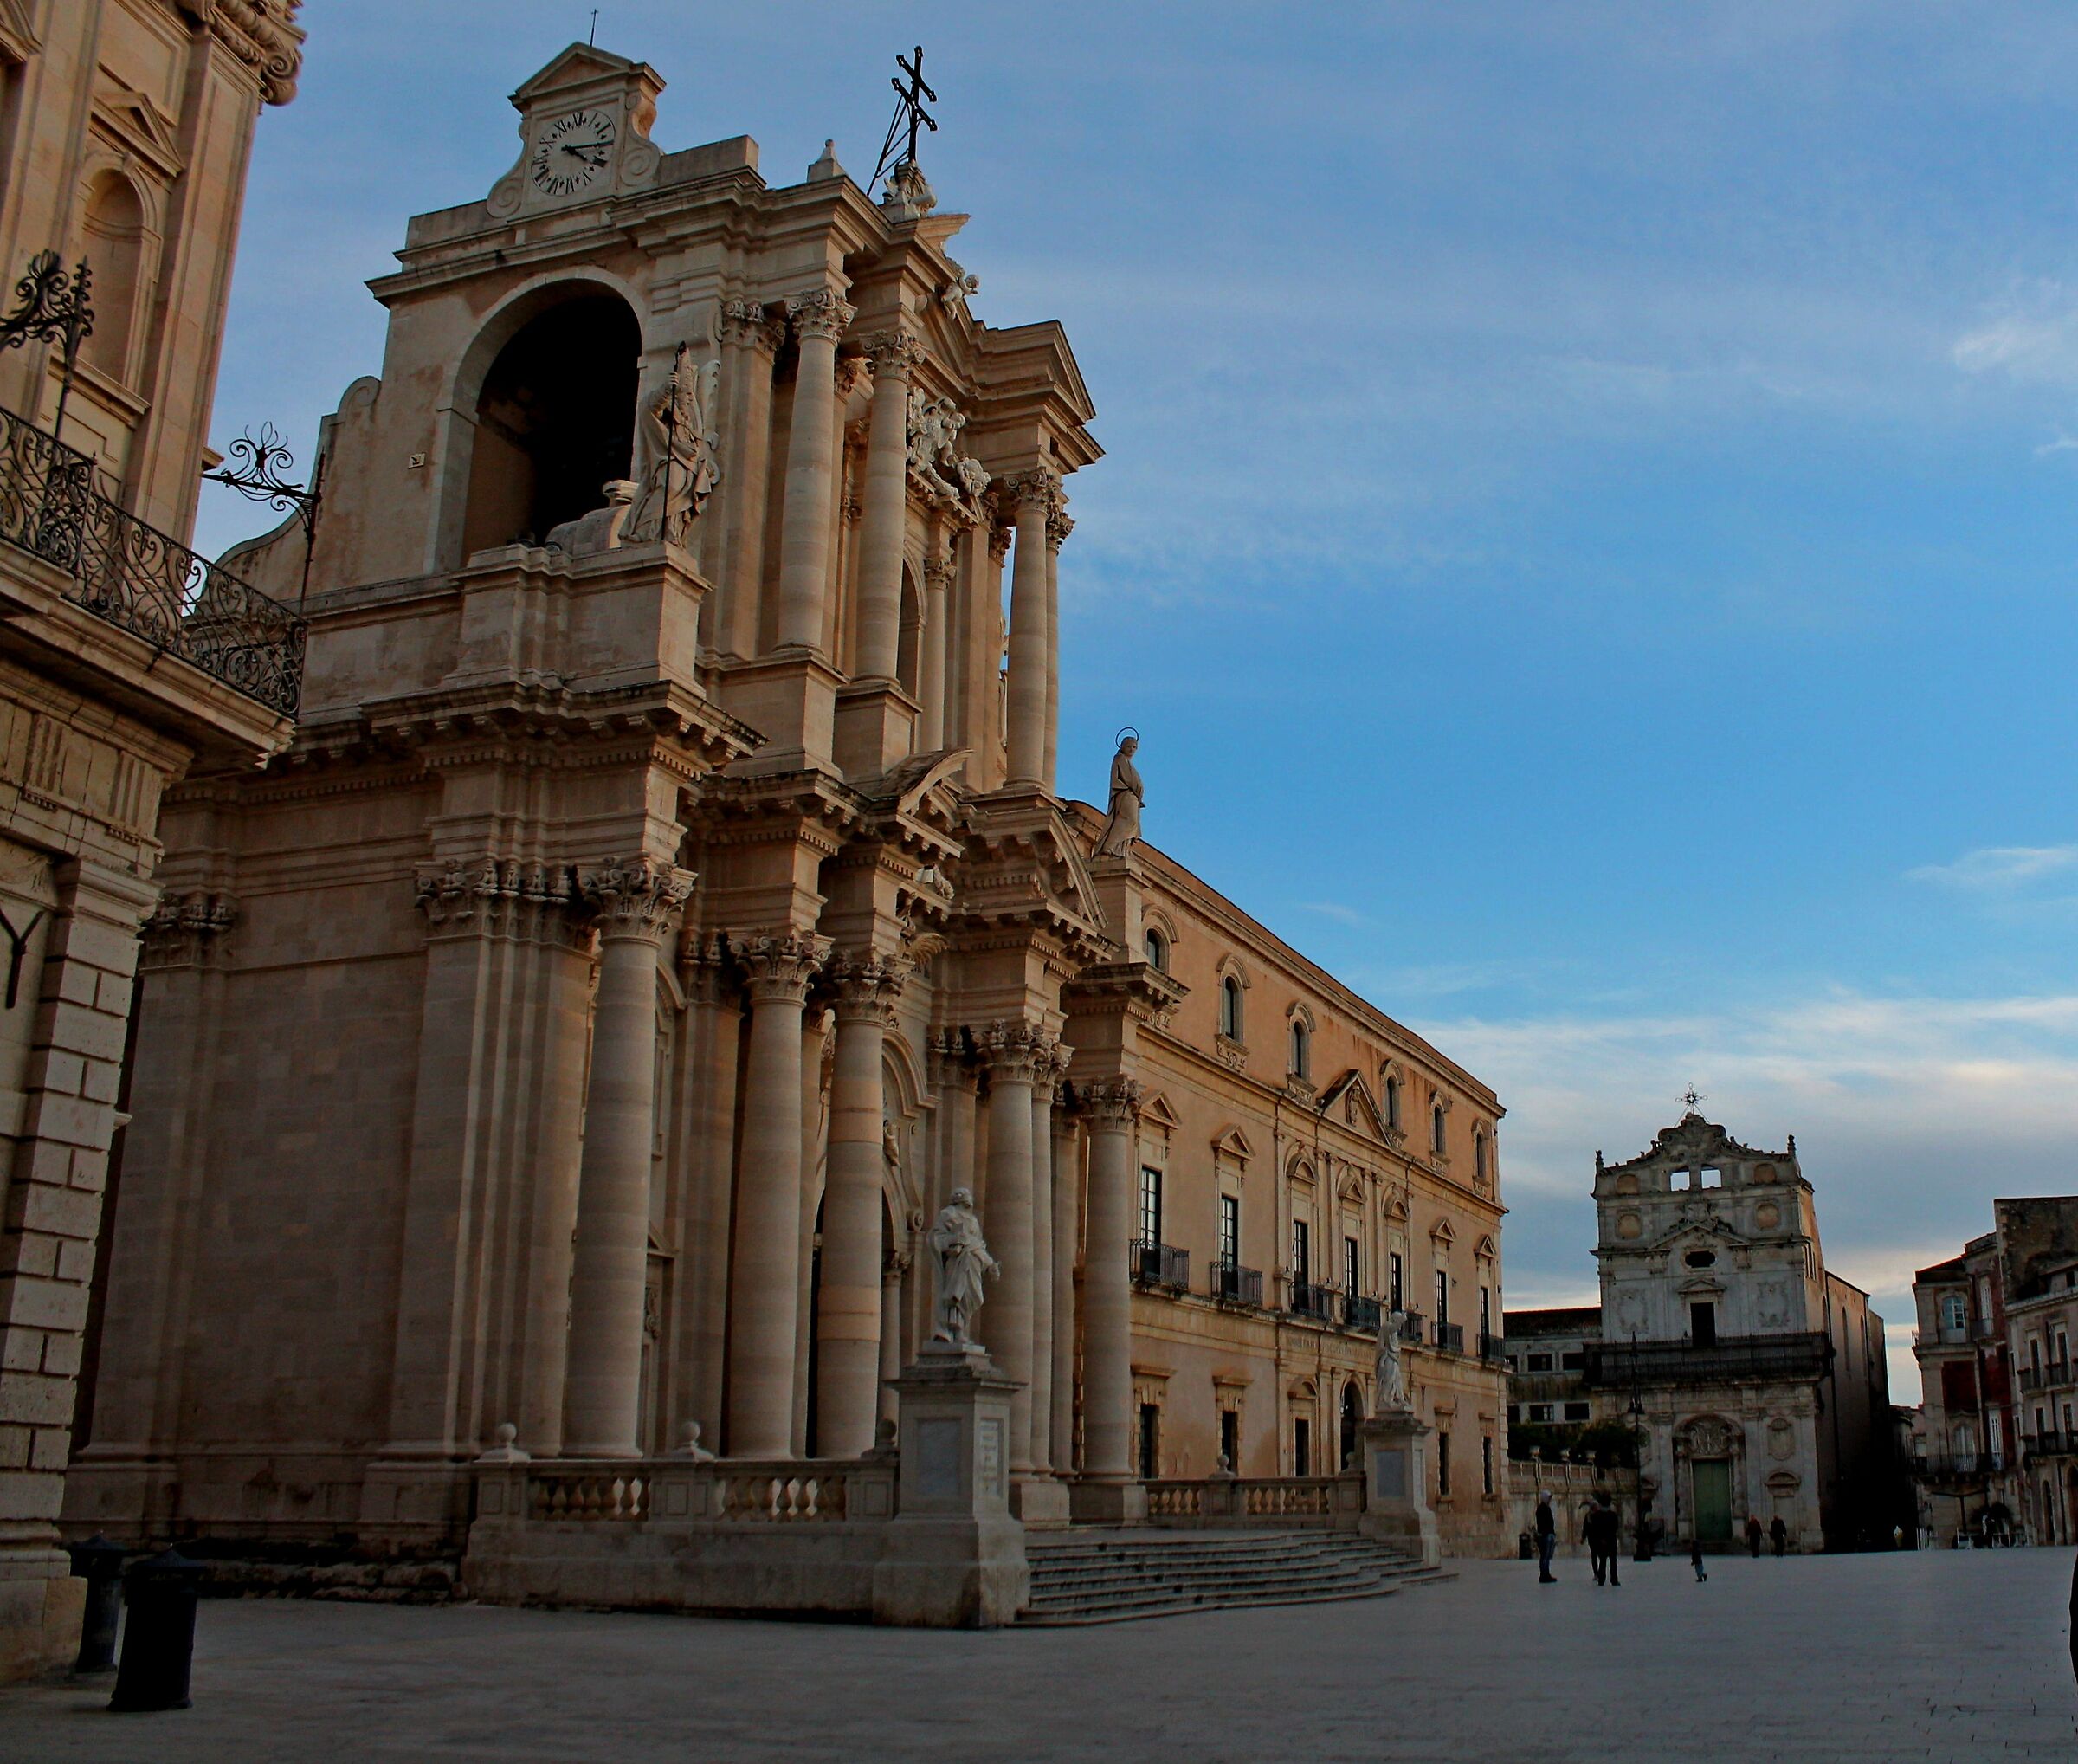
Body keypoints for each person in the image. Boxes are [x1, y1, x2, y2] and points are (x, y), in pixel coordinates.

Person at [1584, 1491, 1623, 1586]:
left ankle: (1601, 1579)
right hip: (1611, 1540)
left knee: (1602, 1561)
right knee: (1613, 1561)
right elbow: (1615, 1527)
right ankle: (1614, 1579)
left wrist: (1601, 1538)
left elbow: (1595, 1529)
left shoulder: (1597, 1516)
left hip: (1601, 1541)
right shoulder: (1613, 1515)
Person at [1534, 1491, 1557, 1584]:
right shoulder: (1541, 1509)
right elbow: (1543, 1523)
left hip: (1548, 1534)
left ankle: (1546, 1574)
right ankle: (1544, 1575)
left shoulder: (1546, 1508)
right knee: (1544, 1556)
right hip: (1545, 1535)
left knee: (1546, 1556)